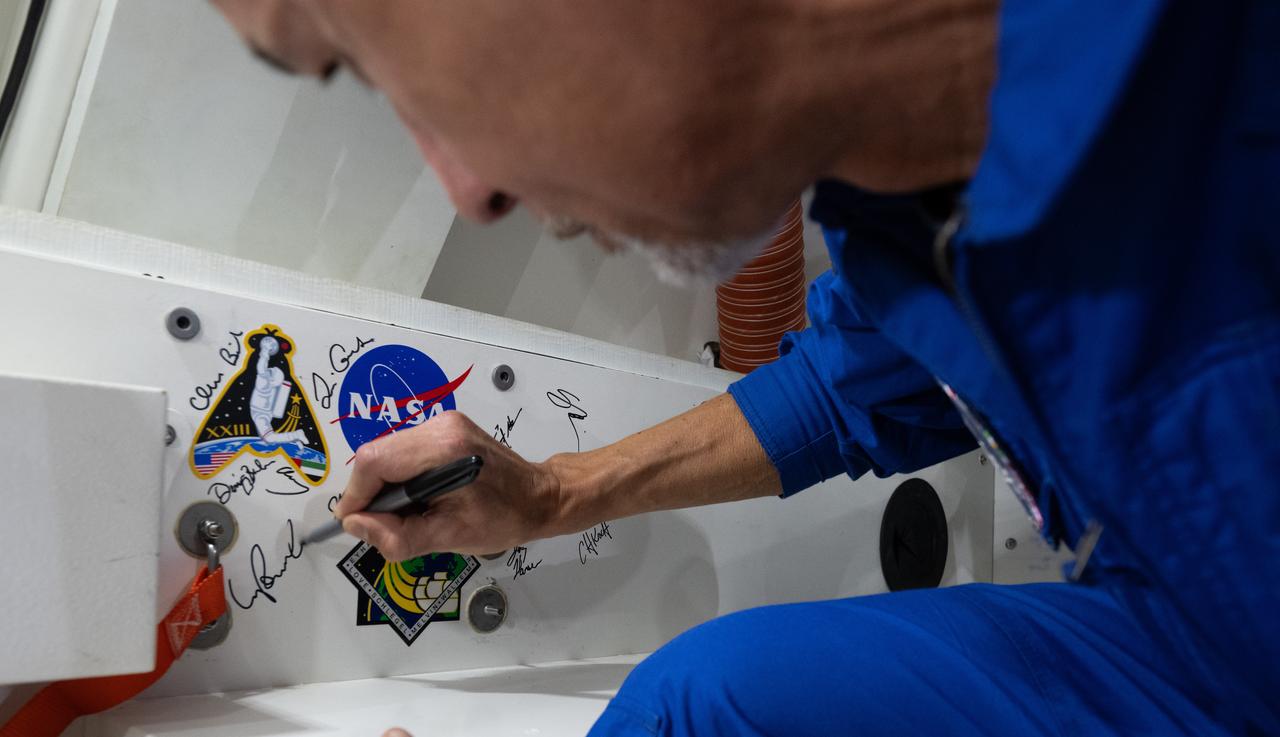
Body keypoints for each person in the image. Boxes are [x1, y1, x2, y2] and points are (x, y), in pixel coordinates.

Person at [213, 1, 1279, 735]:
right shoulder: (904, 209)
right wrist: (552, 491)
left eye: (384, 48)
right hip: (1177, 633)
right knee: (706, 697)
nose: (465, 190)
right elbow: (846, 383)